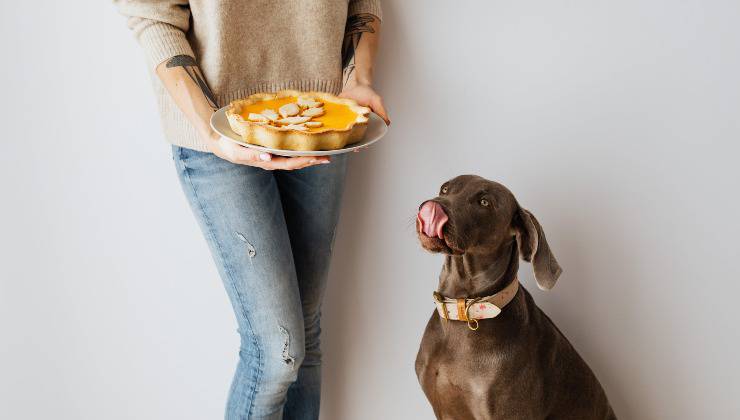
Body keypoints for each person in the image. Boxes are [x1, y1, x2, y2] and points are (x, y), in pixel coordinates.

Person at [114, 1, 388, 418]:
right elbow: (154, 17)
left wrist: (357, 81)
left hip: (323, 121)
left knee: (306, 335)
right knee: (278, 353)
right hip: (216, 135)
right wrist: (211, 127)